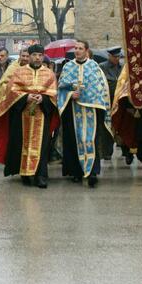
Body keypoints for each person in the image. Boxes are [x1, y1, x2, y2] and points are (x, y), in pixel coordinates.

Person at [0, 44, 59, 188]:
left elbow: (53, 94)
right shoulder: (19, 72)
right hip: (22, 115)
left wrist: (42, 99)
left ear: (43, 56)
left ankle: (41, 176)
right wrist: (26, 97)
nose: (37, 58)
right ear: (29, 56)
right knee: (22, 143)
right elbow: (11, 91)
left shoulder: (49, 74)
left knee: (42, 146)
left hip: (41, 115)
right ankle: (25, 174)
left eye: (40, 55)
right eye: (34, 55)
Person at [57, 40, 112, 188]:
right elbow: (61, 88)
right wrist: (70, 94)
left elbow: (101, 89)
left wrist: (94, 101)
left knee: (90, 140)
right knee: (74, 141)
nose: (77, 51)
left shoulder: (94, 67)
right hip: (72, 110)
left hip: (91, 111)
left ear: (86, 50)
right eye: (75, 48)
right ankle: (76, 172)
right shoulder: (68, 66)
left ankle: (92, 173)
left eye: (80, 48)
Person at [98, 47, 123, 160]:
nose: (117, 59)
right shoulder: (102, 67)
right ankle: (107, 151)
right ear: (109, 56)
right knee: (107, 127)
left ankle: (126, 151)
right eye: (115, 57)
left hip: (120, 102)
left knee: (121, 126)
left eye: (118, 56)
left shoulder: (122, 68)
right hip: (107, 102)